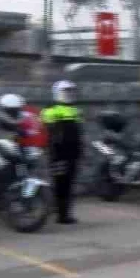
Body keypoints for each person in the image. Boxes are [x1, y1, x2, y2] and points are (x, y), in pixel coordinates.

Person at [43, 80, 84, 225]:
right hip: (58, 153)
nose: (68, 95)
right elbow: (50, 132)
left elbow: (78, 133)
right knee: (59, 182)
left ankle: (65, 213)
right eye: (65, 92)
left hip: (72, 153)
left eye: (70, 92)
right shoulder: (50, 110)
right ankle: (59, 213)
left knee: (70, 183)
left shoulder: (75, 111)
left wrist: (80, 150)